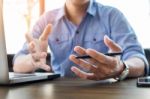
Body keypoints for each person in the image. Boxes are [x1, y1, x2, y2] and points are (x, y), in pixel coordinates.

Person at [13, 0, 149, 80]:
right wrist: (32, 60)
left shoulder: (112, 16)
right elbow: (18, 62)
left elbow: (138, 59)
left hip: (104, 92)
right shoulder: (46, 20)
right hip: (59, 93)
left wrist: (121, 67)